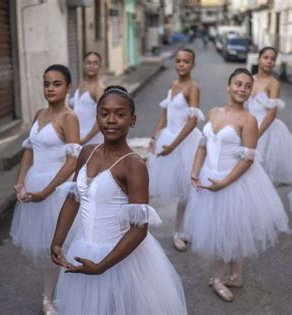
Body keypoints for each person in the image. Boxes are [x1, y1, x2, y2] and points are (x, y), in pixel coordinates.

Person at [51, 86, 187, 315]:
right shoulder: (87, 152)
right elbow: (74, 199)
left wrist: (102, 266)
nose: (111, 120)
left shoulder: (134, 166)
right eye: (104, 114)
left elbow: (139, 229)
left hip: (118, 258)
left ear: (132, 120)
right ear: (97, 118)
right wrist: (57, 241)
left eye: (120, 114)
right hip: (84, 248)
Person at [183, 68, 289, 302]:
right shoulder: (213, 112)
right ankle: (237, 276)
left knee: (226, 233)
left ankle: (219, 279)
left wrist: (224, 183)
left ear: (251, 91)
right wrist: (194, 171)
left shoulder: (248, 120)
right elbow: (202, 145)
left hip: (233, 182)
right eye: (238, 84)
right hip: (211, 178)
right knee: (229, 231)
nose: (242, 89)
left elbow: (248, 159)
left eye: (247, 86)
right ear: (228, 87)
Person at [10, 64, 81, 315]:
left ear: (68, 87)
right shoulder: (40, 113)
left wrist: (47, 192)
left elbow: (72, 161)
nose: (50, 88)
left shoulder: (69, 117)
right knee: (44, 249)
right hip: (34, 183)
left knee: (61, 245)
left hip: (57, 190)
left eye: (57, 84)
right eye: (46, 83)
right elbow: (29, 150)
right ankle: (47, 297)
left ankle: (67, 296)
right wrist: (20, 182)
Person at [147, 48, 204, 252]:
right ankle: (180, 230)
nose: (181, 65)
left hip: (185, 142)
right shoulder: (173, 85)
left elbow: (193, 120)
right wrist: (155, 137)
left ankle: (180, 231)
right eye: (178, 61)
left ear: (192, 65)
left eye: (186, 61)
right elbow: (165, 114)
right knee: (179, 191)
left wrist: (174, 145)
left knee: (186, 193)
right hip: (168, 136)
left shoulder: (192, 88)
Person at [245, 46, 292, 184]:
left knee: (260, 170)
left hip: (265, 130)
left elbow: (271, 114)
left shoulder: (274, 84)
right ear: (258, 59)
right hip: (248, 126)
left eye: (273, 59)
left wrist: (256, 135)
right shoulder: (250, 79)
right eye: (266, 58)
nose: (269, 61)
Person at [70, 52, 105, 145]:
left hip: (92, 141)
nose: (91, 66)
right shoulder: (82, 84)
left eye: (95, 63)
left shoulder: (99, 89)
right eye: (88, 63)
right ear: (84, 65)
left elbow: (102, 119)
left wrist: (84, 140)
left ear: (100, 66)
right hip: (78, 138)